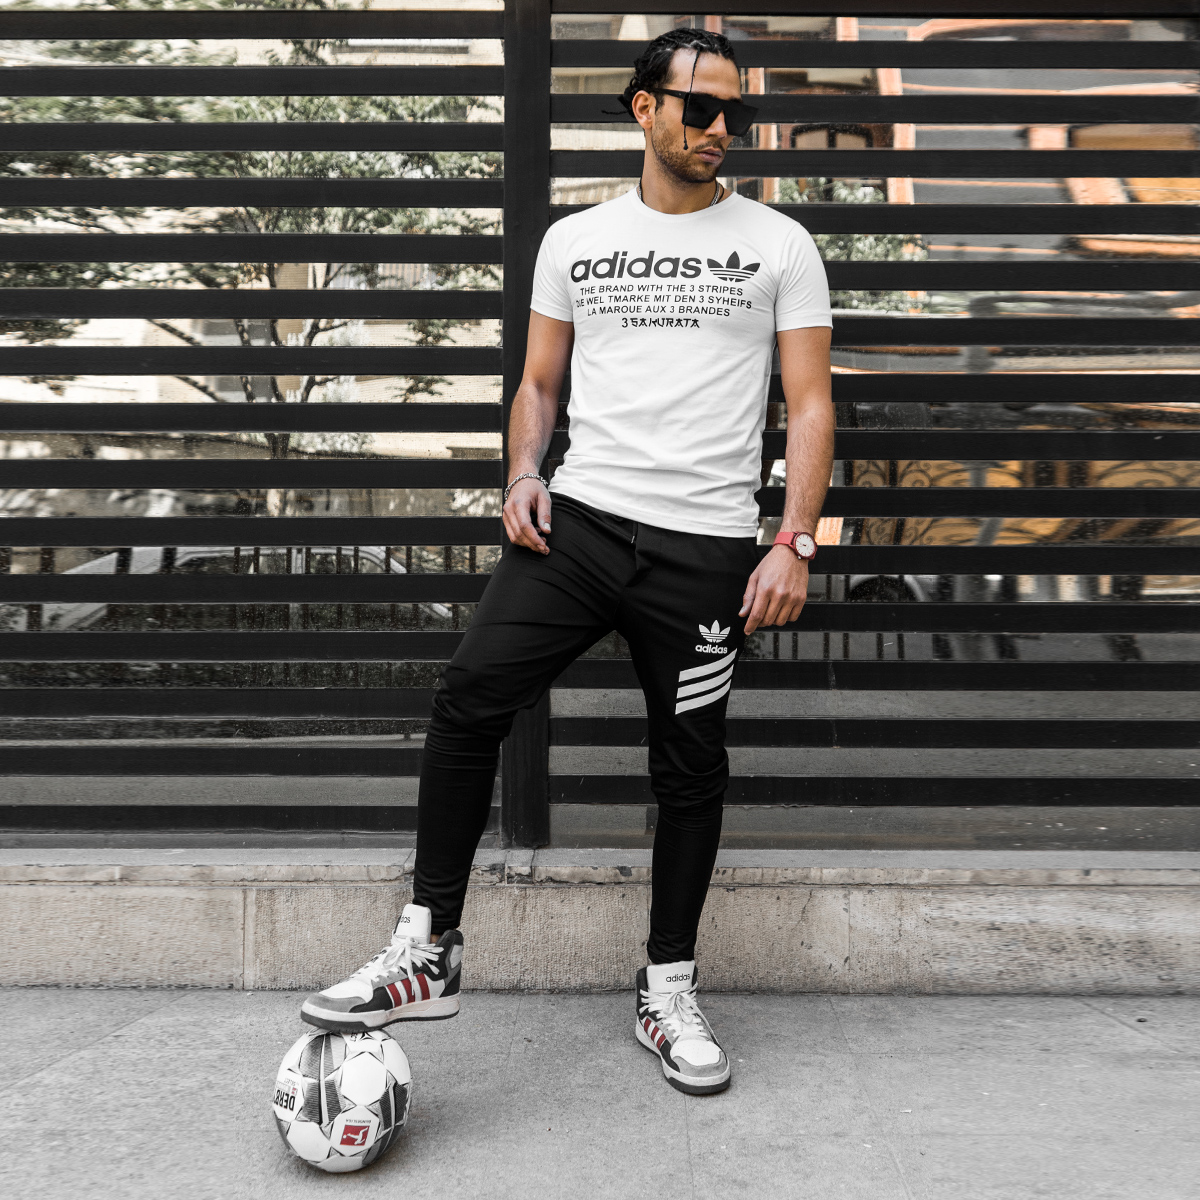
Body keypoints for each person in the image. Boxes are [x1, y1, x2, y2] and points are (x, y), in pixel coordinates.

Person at [301, 28, 833, 1097]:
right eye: (700, 108)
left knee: (690, 767)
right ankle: (428, 947)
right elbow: (539, 383)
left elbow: (812, 404)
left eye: (735, 112)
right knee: (468, 698)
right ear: (645, 108)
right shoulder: (575, 240)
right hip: (581, 527)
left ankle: (668, 987)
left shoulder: (779, 244)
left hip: (705, 550)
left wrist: (794, 539)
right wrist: (521, 473)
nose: (721, 129)